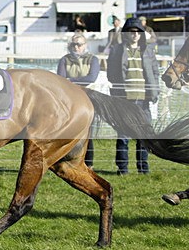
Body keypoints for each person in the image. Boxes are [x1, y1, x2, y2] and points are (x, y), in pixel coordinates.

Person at [107, 17, 160, 174]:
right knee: (123, 136)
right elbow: (111, 74)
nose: (135, 34)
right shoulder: (117, 50)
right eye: (132, 31)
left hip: (143, 100)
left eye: (138, 32)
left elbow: (155, 72)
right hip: (124, 100)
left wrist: (154, 91)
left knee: (143, 136)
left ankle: (143, 168)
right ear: (126, 33)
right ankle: (122, 169)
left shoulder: (148, 51)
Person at [57, 33, 99, 166]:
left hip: (89, 98)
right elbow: (61, 79)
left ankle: (89, 162)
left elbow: (91, 78)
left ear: (85, 45)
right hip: (69, 100)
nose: (76, 47)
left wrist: (71, 80)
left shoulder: (93, 59)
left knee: (88, 133)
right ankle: (64, 159)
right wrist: (74, 81)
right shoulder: (65, 59)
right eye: (74, 44)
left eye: (79, 44)